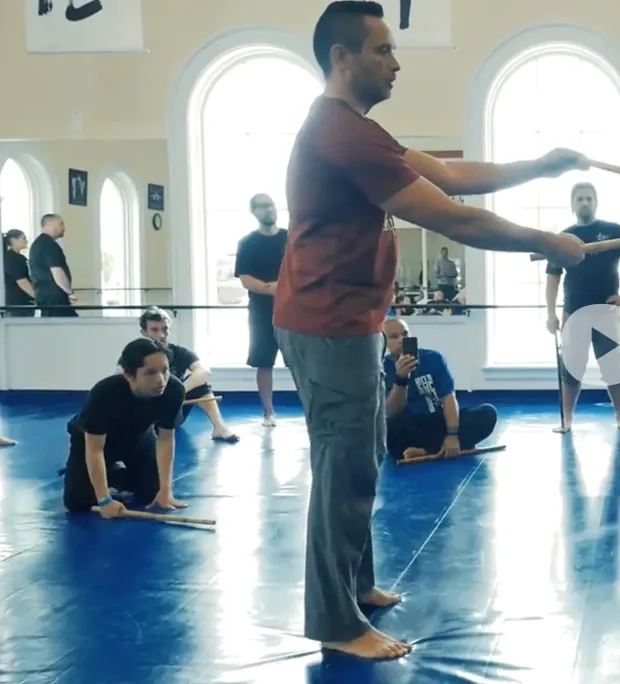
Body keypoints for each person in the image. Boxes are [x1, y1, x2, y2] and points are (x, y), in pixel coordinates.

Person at [276, 0, 585, 661]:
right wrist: (547, 242)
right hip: (326, 324)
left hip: (346, 321)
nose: (396, 63)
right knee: (342, 468)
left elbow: (450, 176)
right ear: (341, 57)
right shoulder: (342, 134)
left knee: (361, 459)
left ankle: (355, 585)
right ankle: (335, 623)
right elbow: (455, 219)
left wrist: (541, 166)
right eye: (383, 50)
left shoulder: (360, 131)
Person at [545, 182, 620, 432]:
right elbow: (553, 277)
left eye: (589, 198)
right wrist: (551, 314)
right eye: (580, 199)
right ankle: (567, 419)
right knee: (571, 368)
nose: (584, 203)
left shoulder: (612, 230)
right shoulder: (564, 238)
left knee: (613, 366)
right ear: (572, 204)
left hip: (606, 311)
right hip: (574, 312)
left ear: (596, 202)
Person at [61, 338, 187, 516]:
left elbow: (166, 440)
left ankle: (115, 475)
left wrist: (166, 490)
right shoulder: (104, 393)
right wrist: (105, 500)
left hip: (139, 438)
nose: (161, 380)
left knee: (152, 493)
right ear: (129, 375)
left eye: (164, 370)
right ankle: (92, 472)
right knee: (77, 502)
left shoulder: (174, 390)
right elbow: (95, 449)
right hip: (94, 441)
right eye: (150, 373)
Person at [382, 318, 497, 459]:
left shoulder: (433, 358)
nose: (401, 339)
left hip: (439, 419)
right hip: (410, 424)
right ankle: (450, 445)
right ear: (384, 342)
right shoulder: (382, 368)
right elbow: (392, 412)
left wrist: (452, 434)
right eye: (394, 337)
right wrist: (401, 379)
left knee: (487, 413)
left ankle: (427, 449)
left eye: (405, 334)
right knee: (388, 428)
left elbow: (448, 397)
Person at [138, 306, 239, 442]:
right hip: (145, 416)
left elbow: (204, 371)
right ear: (144, 332)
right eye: (155, 330)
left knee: (201, 384)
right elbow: (120, 377)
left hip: (174, 412)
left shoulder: (179, 352)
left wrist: (178, 392)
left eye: (165, 329)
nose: (161, 335)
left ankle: (219, 428)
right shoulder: (135, 353)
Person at [234, 193, 288, 427]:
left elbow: (304, 270)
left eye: (271, 205)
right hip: (261, 313)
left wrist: (283, 288)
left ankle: (310, 407)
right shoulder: (247, 243)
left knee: (301, 361)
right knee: (264, 362)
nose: (268, 210)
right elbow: (246, 279)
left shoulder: (290, 238)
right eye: (262, 206)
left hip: (292, 310)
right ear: (253, 211)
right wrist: (272, 288)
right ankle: (268, 412)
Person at [28, 214, 76, 317]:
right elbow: (57, 271)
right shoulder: (49, 244)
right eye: (61, 224)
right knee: (68, 324)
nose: (64, 228)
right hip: (55, 297)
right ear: (50, 224)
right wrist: (69, 292)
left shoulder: (38, 244)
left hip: (44, 295)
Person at [3, 230, 35, 317]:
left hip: (24, 302)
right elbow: (22, 281)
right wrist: (37, 297)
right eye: (23, 238)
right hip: (17, 304)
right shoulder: (12, 258)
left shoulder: (20, 258)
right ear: (13, 240)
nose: (26, 241)